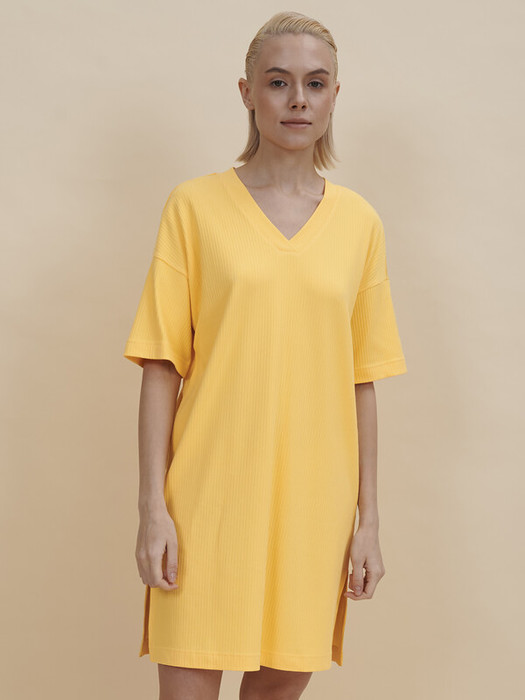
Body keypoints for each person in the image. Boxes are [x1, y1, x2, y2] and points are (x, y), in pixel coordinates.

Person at [123, 10, 407, 700]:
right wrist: (154, 510)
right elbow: (161, 365)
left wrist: (367, 522)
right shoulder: (194, 207)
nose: (297, 100)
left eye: (315, 83)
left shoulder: (359, 223)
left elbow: (361, 380)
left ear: (334, 95)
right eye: (278, 82)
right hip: (207, 500)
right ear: (247, 92)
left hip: (314, 505)